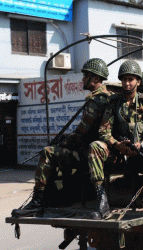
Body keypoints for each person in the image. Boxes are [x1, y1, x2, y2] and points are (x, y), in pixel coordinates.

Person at [12, 58, 112, 218]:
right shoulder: (103, 97)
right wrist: (68, 138)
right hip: (92, 150)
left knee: (47, 152)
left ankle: (38, 203)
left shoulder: (97, 100)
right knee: (51, 151)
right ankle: (44, 202)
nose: (83, 79)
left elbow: (81, 135)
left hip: (95, 152)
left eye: (86, 75)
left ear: (96, 78)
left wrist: (65, 142)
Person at [86, 61, 143, 219]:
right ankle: (102, 202)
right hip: (121, 154)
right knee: (95, 146)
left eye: (131, 79)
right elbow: (103, 131)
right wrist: (117, 144)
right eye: (124, 79)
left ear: (138, 82)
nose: (127, 83)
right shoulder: (114, 103)